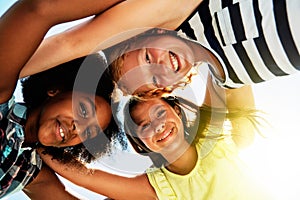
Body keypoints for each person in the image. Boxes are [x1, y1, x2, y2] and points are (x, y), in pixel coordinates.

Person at [41, 83, 270, 199]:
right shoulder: (159, 187)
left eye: (160, 113)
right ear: (142, 144)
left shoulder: (210, 132)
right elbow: (85, 177)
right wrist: (39, 143)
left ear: (177, 111)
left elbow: (219, 68)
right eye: (144, 126)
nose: (157, 125)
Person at [19, 0, 300, 91]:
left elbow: (72, 43)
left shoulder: (183, 10)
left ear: (149, 33)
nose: (162, 66)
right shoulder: (228, 80)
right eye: (154, 79)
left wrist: (10, 73)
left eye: (145, 58)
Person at [0, 0, 123, 198]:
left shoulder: (26, 170)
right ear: (55, 90)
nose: (79, 128)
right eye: (83, 110)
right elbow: (38, 9)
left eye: (89, 133)